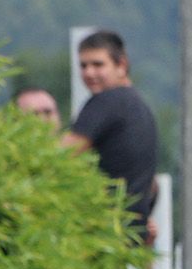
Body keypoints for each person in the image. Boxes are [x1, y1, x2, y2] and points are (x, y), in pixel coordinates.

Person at [61, 30, 159, 245]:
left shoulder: (107, 101)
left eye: (98, 64)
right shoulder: (140, 107)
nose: (89, 73)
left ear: (121, 65)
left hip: (102, 232)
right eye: (83, 65)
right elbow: (152, 185)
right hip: (131, 237)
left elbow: (62, 156)